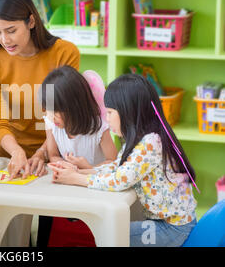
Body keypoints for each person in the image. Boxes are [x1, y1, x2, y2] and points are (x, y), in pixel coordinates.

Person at [48, 74, 198, 247]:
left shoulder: (151, 143)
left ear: (129, 111)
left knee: (110, 235)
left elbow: (120, 180)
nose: (107, 118)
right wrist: (82, 171)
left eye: (110, 112)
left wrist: (76, 179)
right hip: (164, 224)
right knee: (107, 231)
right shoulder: (140, 139)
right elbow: (118, 167)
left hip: (172, 228)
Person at [0, 0, 80, 180]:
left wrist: (42, 153)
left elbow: (65, 116)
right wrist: (17, 153)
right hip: (11, 158)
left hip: (58, 156)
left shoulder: (65, 53)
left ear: (31, 21)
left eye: (11, 30)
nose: (5, 40)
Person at [40, 65, 117, 170]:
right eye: (49, 109)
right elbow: (53, 155)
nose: (52, 116)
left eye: (57, 110)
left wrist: (88, 168)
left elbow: (113, 161)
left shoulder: (98, 127)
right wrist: (66, 165)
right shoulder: (51, 123)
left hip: (93, 180)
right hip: (70, 179)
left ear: (75, 106)